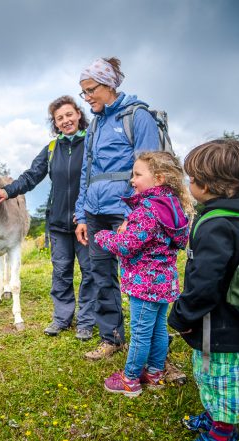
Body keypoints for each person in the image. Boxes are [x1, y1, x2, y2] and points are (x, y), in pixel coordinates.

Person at [168, 139, 239, 441]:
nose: (189, 183)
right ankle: (214, 415)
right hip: (230, 314)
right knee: (208, 371)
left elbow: (205, 283)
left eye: (192, 178)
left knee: (222, 377)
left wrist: (181, 314)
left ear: (209, 184)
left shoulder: (217, 223)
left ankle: (222, 435)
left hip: (217, 321)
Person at [0, 96, 97, 340]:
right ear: (55, 124)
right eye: (59, 118)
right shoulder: (52, 149)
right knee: (61, 271)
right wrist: (6, 190)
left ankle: (87, 322)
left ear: (79, 114)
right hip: (57, 224)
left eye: (69, 115)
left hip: (87, 221)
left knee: (90, 272)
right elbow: (31, 176)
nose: (65, 121)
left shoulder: (92, 144)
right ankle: (62, 318)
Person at [74, 57, 161, 360]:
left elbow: (152, 171)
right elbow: (87, 171)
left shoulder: (138, 117)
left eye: (89, 91)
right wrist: (82, 214)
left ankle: (151, 349)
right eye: (82, 92)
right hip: (96, 212)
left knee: (144, 280)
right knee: (101, 275)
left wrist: (133, 216)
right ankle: (111, 337)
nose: (86, 98)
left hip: (127, 213)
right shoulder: (96, 124)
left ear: (108, 85)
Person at [93, 151, 191, 397]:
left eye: (137, 175)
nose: (132, 180)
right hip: (164, 283)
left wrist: (104, 236)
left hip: (145, 285)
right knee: (157, 329)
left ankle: (130, 379)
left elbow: (126, 244)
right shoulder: (171, 205)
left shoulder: (148, 210)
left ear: (158, 178)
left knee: (140, 333)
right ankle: (155, 373)